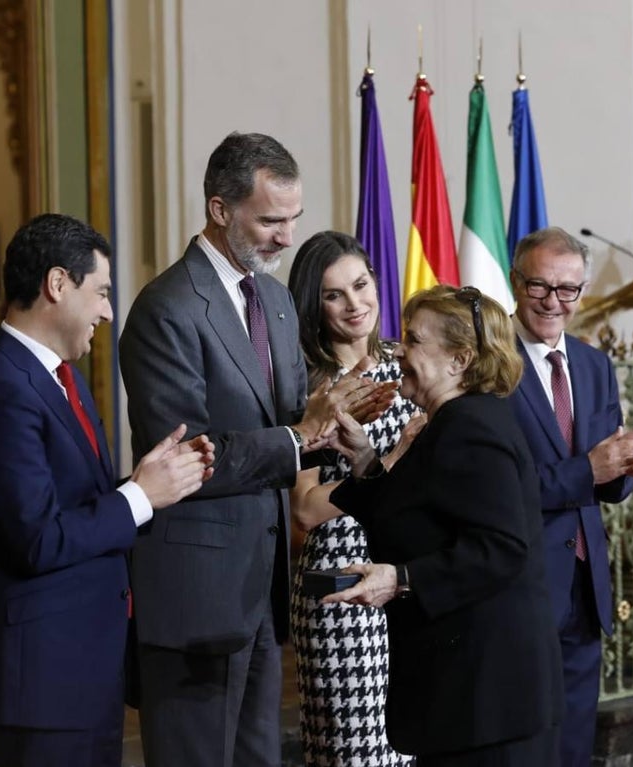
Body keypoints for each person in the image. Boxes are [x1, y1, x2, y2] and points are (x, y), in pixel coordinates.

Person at [119, 132, 396, 767]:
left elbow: (298, 419)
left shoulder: (271, 299)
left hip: (263, 589)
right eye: (270, 220)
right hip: (196, 593)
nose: (285, 237)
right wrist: (302, 435)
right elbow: (187, 456)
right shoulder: (167, 308)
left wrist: (340, 427)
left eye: (292, 219)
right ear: (220, 209)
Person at [0, 213, 215, 767]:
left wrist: (152, 479)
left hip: (84, 670)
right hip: (45, 678)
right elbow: (37, 538)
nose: (108, 311)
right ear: (57, 284)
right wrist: (140, 497)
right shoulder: (1, 389)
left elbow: (74, 505)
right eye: (102, 292)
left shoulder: (57, 377)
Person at [322, 285, 564, 766]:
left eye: (414, 340)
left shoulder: (470, 426)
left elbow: (501, 548)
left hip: (488, 703)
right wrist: (368, 461)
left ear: (460, 360)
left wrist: (401, 579)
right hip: (469, 699)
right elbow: (417, 521)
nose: (399, 352)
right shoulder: (454, 421)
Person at [507, 227, 633, 767]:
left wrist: (626, 466)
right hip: (518, 583)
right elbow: (495, 491)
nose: (554, 301)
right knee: (525, 743)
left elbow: (606, 480)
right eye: (540, 286)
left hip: (584, 583)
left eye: (568, 289)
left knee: (574, 743)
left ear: (583, 291)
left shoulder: (595, 365)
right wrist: (588, 469)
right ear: (514, 281)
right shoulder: (489, 365)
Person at [286, 231, 422, 766]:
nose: (354, 304)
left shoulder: (407, 365)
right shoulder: (309, 387)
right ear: (313, 306)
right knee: (356, 756)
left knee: (407, 749)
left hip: (407, 578)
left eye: (361, 285)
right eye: (333, 294)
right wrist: (387, 464)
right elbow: (304, 507)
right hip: (341, 589)